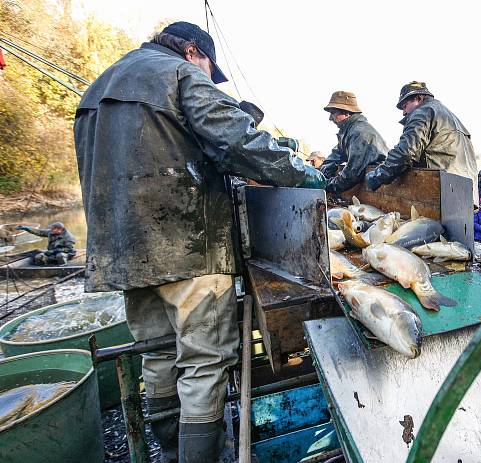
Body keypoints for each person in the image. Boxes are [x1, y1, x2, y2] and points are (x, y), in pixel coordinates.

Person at [73, 22, 324, 463]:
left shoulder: (95, 91)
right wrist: (299, 172)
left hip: (125, 254)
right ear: (193, 50)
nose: (211, 77)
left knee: (157, 354)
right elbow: (239, 138)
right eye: (210, 67)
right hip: (189, 245)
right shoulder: (180, 74)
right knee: (204, 364)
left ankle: (169, 452)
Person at [365, 81, 478, 199]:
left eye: (404, 106)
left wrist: (376, 176)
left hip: (443, 191)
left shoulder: (423, 112)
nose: (404, 113)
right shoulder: (449, 116)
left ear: (418, 98)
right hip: (466, 194)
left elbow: (406, 153)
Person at [319, 91, 388, 194]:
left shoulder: (360, 134)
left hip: (382, 190)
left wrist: (324, 186)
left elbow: (352, 175)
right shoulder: (348, 132)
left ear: (347, 112)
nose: (330, 118)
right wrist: (320, 175)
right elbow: (335, 156)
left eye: (333, 113)